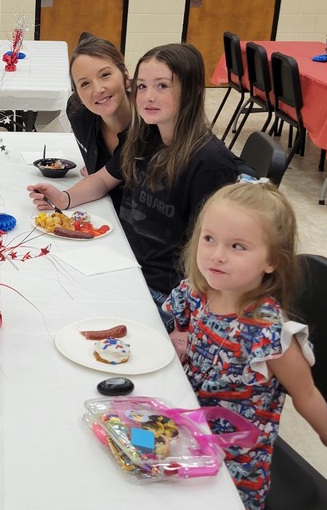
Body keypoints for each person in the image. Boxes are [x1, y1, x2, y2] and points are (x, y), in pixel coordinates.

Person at [164, 180, 327, 510]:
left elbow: (306, 393)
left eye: (237, 246)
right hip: (186, 425)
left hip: (230, 461)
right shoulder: (198, 291)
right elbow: (181, 326)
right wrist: (181, 338)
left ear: (271, 262)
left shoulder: (269, 335)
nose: (217, 254)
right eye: (209, 238)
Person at [30, 42, 245, 325]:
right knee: (43, 287)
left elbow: (213, 257)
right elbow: (104, 179)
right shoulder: (144, 136)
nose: (148, 96)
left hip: (162, 292)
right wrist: (64, 198)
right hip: (124, 264)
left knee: (64, 320)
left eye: (162, 86)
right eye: (142, 87)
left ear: (192, 90)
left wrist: (186, 321)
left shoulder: (209, 161)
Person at [65, 33, 133, 208]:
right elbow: (102, 178)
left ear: (126, 77)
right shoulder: (78, 114)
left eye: (105, 75)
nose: (98, 89)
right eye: (85, 84)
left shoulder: (151, 126)